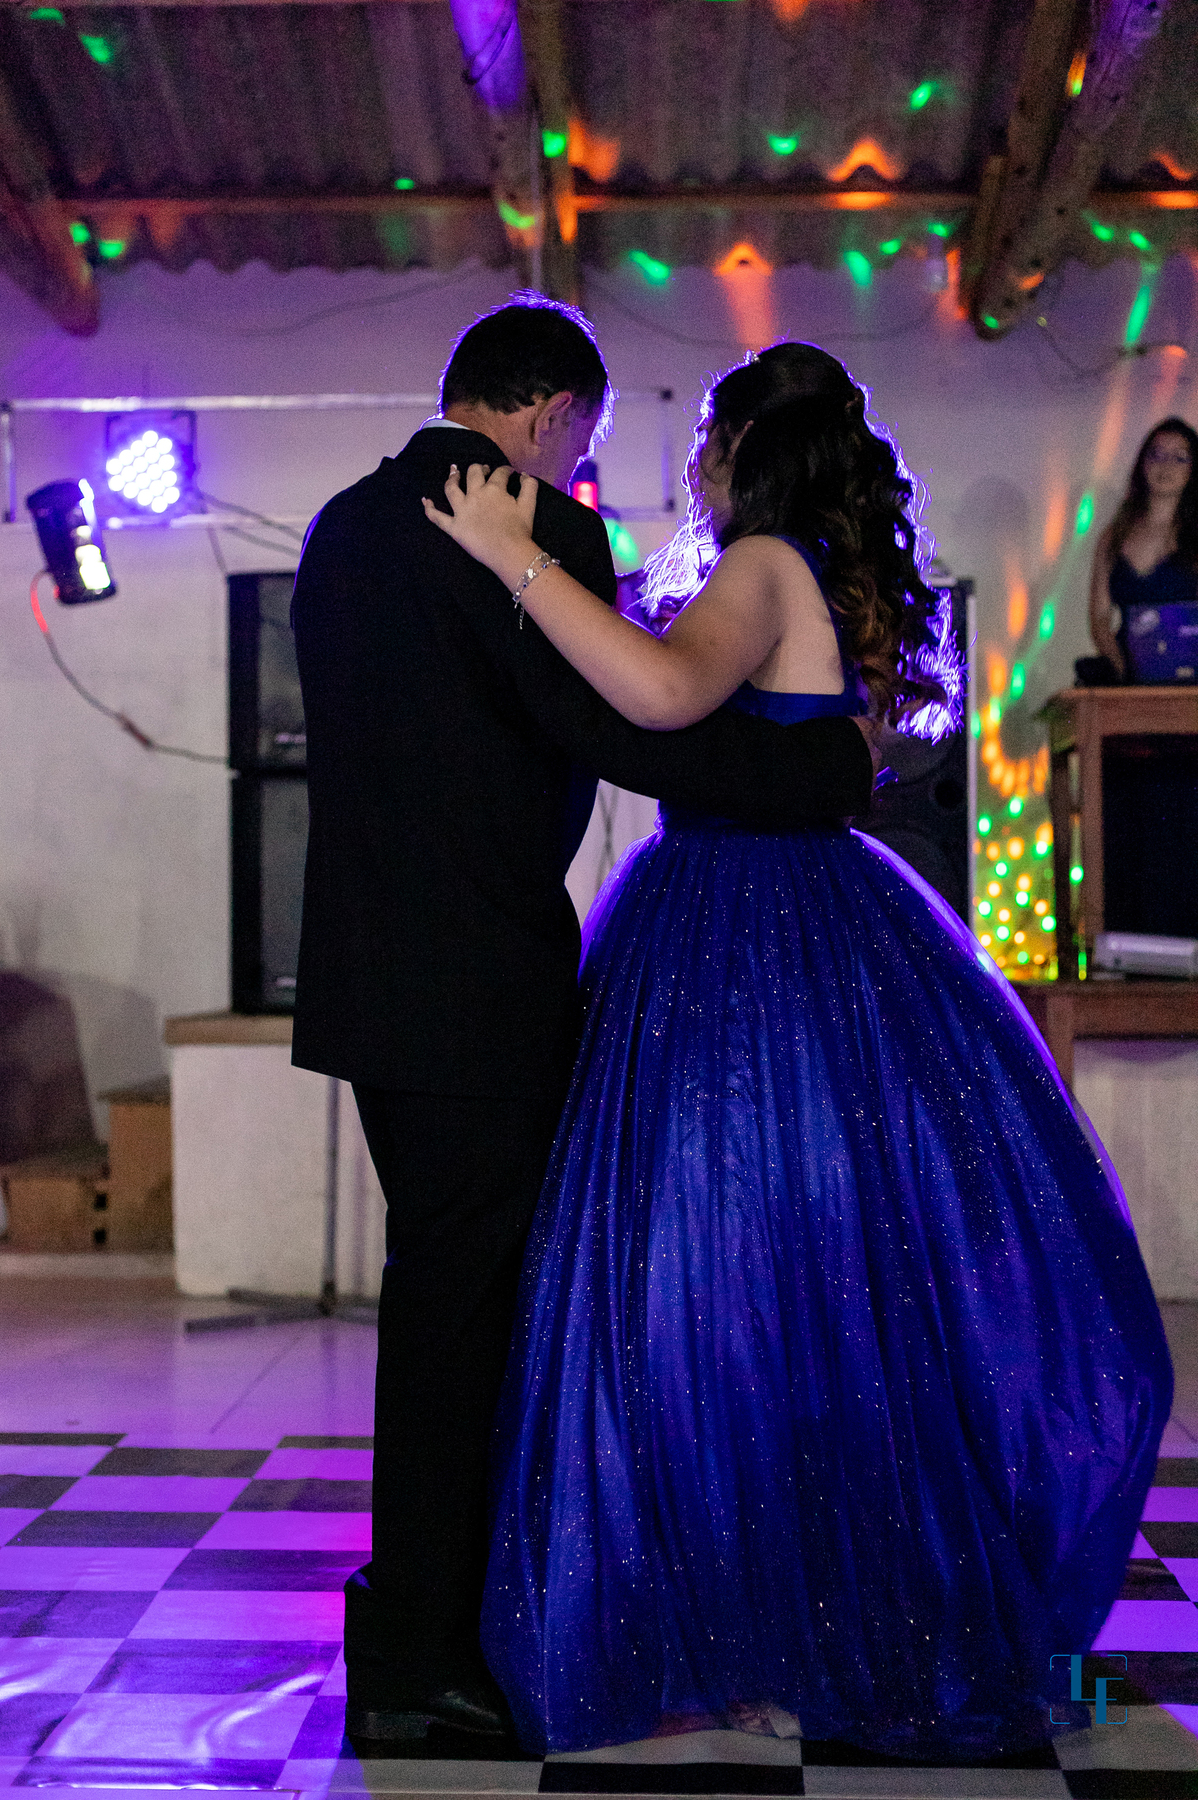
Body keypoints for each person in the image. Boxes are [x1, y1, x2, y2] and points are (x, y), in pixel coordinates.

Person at [423, 342, 1174, 1761]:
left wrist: (513, 556)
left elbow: (659, 698)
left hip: (736, 934)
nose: (696, 460)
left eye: (709, 437)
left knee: (717, 1285)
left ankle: (760, 1627)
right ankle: (787, 1612)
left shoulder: (765, 564)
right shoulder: (813, 570)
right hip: (807, 917)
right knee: (809, 1290)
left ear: (751, 448)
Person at [290, 301, 875, 1743]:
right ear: (553, 415)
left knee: (442, 1294)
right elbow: (620, 732)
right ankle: (429, 1654)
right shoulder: (538, 528)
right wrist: (815, 770)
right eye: (586, 438)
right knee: (472, 1316)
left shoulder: (341, 528)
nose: (580, 465)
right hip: (484, 986)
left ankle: (426, 1631)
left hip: (366, 979)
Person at [1088, 416, 1198, 679]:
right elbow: (1100, 617)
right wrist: (1122, 667)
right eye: (1156, 455)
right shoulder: (1113, 537)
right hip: (1128, 675)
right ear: (1142, 464)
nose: (1166, 465)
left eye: (1179, 458)